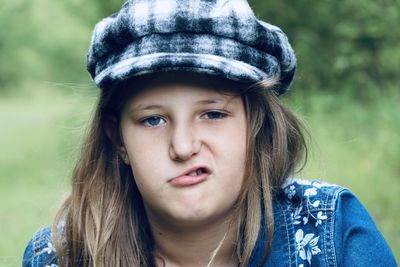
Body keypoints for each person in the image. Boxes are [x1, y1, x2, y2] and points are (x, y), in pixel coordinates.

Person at [22, 0, 397, 266]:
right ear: (117, 139)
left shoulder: (331, 233)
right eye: (153, 120)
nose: (183, 147)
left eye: (213, 114)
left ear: (255, 125)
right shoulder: (59, 257)